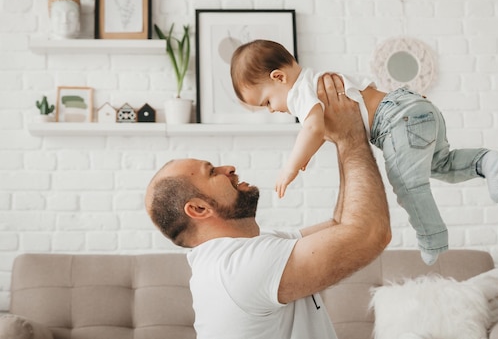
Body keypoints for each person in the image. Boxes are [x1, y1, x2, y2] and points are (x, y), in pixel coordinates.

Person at [145, 74, 391, 339]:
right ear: (199, 209)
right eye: (212, 172)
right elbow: (369, 233)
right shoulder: (238, 267)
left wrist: (340, 136)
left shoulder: (248, 251)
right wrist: (350, 136)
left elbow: (340, 226)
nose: (228, 168)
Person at [230, 39, 498, 265]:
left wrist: (291, 166)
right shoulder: (314, 83)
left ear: (279, 77)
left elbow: (313, 128)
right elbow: (321, 129)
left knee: (407, 183)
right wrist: (309, 154)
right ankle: (484, 161)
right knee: (440, 164)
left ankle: (432, 238)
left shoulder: (300, 91)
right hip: (413, 109)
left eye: (266, 101)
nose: (272, 109)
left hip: (395, 121)